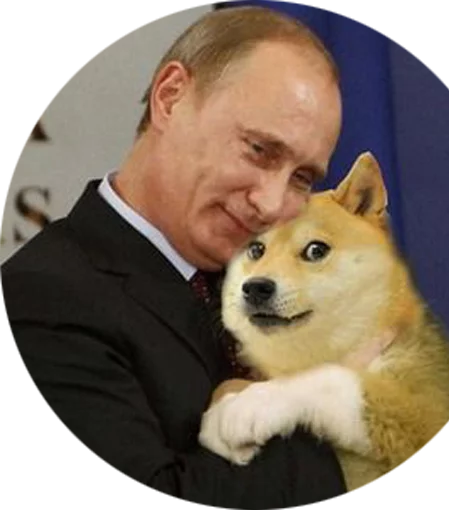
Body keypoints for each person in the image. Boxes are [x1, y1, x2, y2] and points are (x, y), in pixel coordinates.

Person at [0, 6, 346, 508]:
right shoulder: (39, 302)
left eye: (302, 178)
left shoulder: (271, 297)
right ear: (170, 97)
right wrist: (310, 404)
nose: (272, 204)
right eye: (259, 150)